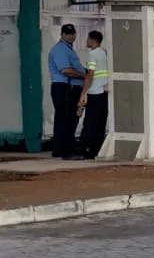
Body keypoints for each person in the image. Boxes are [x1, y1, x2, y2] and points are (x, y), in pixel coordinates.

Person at [46, 24, 87, 159]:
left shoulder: (68, 49)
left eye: (72, 33)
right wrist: (85, 76)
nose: (71, 36)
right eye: (68, 33)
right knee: (67, 119)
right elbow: (66, 70)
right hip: (65, 87)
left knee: (65, 118)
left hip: (68, 87)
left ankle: (60, 149)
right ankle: (66, 151)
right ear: (62, 34)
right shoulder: (60, 49)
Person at [75, 30, 111, 160]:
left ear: (93, 40)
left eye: (88, 39)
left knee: (89, 122)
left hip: (94, 91)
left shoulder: (92, 54)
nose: (86, 41)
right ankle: (96, 149)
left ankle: (83, 149)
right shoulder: (105, 53)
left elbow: (90, 74)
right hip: (104, 92)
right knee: (100, 122)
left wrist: (83, 94)